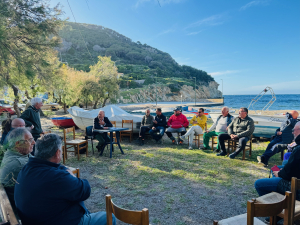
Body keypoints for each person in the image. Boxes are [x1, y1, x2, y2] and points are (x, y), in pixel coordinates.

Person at [14, 133, 116, 225]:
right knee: (109, 217)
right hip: (58, 221)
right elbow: (85, 190)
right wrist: (72, 175)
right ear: (58, 153)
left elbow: (59, 167)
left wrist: (63, 169)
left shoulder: (27, 168)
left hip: (37, 219)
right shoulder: (56, 177)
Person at [255, 121, 300, 201]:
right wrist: (284, 171)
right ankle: (278, 196)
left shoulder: (298, 148)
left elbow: (291, 173)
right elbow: (294, 167)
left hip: (295, 186)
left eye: (294, 130)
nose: (292, 132)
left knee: (258, 184)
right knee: (276, 168)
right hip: (294, 177)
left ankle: (275, 208)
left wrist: (280, 173)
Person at [0, 128, 34, 211]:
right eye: (30, 140)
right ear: (18, 144)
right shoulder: (18, 164)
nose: (34, 142)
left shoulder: (17, 153)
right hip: (25, 209)